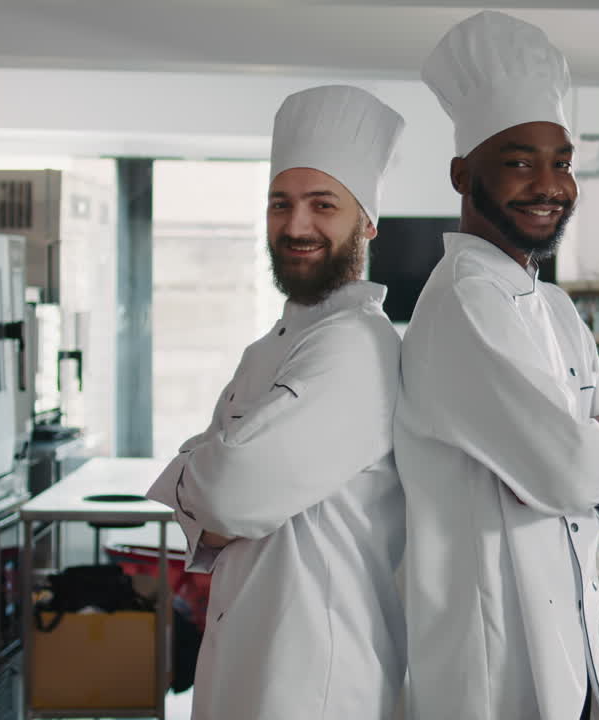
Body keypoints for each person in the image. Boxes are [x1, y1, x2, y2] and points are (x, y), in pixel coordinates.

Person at [395, 11, 599, 720]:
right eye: (519, 161)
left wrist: (586, 457)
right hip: (494, 661)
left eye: (563, 162)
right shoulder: (462, 305)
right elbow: (571, 471)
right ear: (462, 174)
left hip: (565, 645)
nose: (550, 183)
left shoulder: (554, 308)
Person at [146, 84, 406, 720]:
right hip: (247, 659)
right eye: (280, 204)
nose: (296, 225)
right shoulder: (271, 347)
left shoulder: (355, 348)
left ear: (366, 222)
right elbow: (221, 504)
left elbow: (231, 495)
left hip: (314, 677)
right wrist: (212, 482)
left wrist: (198, 468)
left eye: (323, 205)